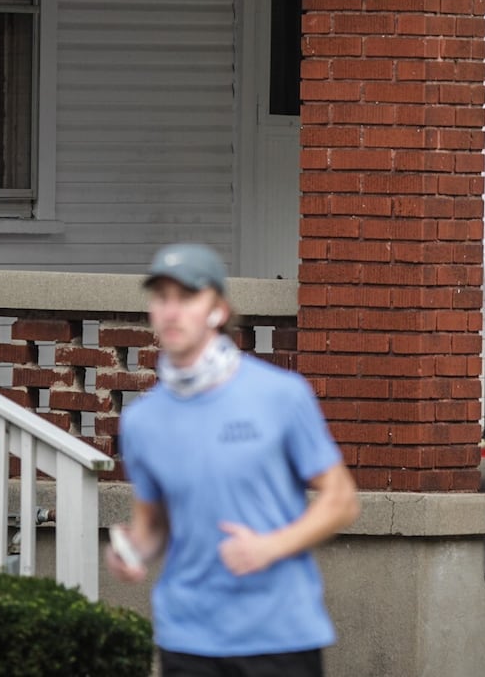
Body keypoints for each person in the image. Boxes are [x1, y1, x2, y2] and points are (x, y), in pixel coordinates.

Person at [107, 243, 360, 677]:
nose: (171, 311)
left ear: (218, 310)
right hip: (187, 637)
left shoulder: (281, 394)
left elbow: (342, 500)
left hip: (278, 634)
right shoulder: (141, 421)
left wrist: (269, 546)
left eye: (186, 297)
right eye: (161, 298)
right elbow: (154, 526)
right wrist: (133, 551)